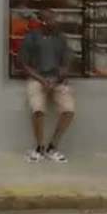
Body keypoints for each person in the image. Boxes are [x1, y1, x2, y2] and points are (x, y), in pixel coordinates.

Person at [17, 10, 75, 163]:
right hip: (37, 79)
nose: (55, 23)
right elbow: (23, 64)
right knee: (38, 110)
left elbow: (66, 62)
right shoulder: (31, 37)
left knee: (68, 110)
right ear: (43, 22)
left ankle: (52, 147)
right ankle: (39, 147)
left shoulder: (60, 38)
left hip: (56, 80)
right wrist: (42, 80)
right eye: (51, 20)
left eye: (55, 19)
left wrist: (60, 76)